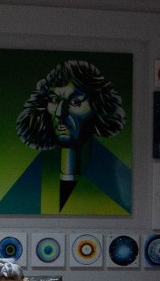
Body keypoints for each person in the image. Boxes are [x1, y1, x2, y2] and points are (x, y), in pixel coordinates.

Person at [11, 59, 130, 212]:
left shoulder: (113, 177)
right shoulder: (32, 179)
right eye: (54, 100)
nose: (60, 113)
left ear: (98, 105)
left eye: (75, 102)